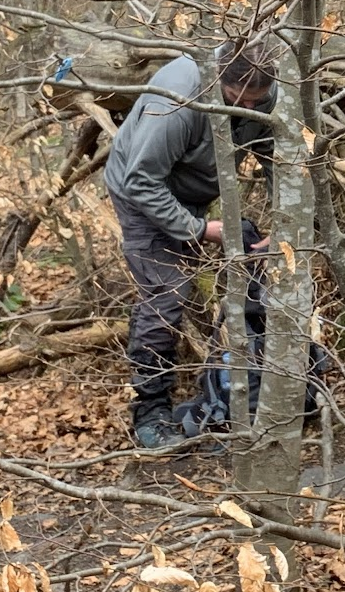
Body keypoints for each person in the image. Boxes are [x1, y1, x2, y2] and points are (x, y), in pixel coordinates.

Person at [104, 41, 275, 450]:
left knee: (253, 264)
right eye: (237, 101)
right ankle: (150, 409)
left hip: (196, 186)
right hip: (143, 189)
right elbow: (139, 181)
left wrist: (287, 227)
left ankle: (252, 382)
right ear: (219, 81)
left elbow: (278, 153)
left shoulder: (274, 88)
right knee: (166, 296)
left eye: (257, 101)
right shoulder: (178, 99)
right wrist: (198, 229)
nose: (246, 108)